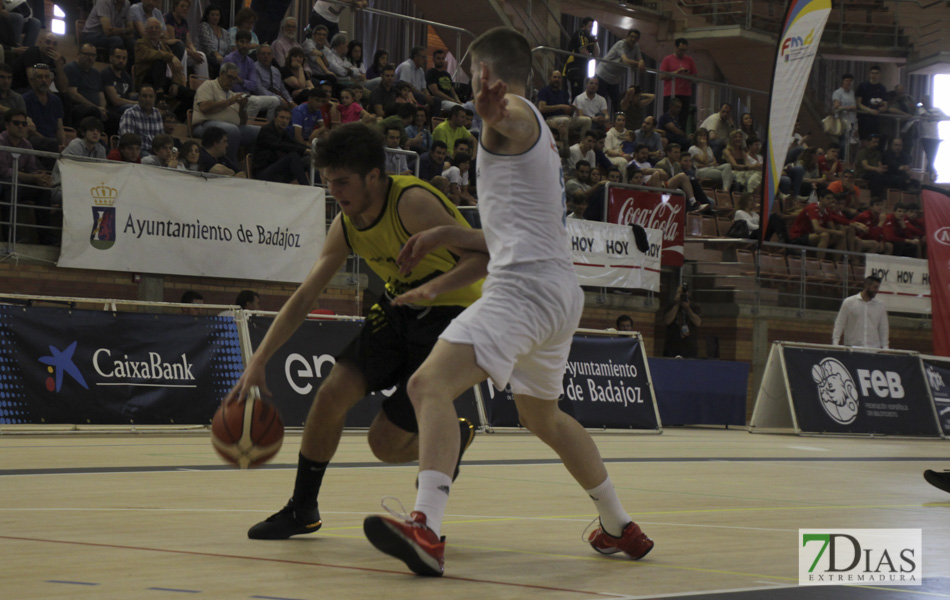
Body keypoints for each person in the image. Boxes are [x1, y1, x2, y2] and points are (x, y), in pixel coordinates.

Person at [361, 27, 652, 577]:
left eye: (471, 74)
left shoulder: (512, 117)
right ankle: (619, 525)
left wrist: (497, 113)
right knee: (542, 414)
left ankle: (426, 527)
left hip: (523, 290)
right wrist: (446, 238)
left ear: (485, 74)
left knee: (428, 386)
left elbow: (508, 120)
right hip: (558, 292)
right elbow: (508, 235)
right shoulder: (539, 139)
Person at [230, 123, 483, 544]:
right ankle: (302, 509)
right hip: (399, 308)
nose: (335, 191)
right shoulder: (346, 224)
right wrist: (258, 360)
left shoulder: (412, 203)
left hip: (453, 313)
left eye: (342, 182)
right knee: (330, 394)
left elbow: (482, 258)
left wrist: (433, 288)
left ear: (373, 176)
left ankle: (452, 437)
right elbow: (305, 295)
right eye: (329, 182)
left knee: (383, 444)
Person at [0, 108, 52, 241]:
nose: (21, 126)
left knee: (43, 191)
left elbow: (32, 169)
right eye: (16, 123)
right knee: (14, 185)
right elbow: (3, 171)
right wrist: (33, 177)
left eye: (24, 124)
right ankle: (10, 234)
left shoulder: (27, 145)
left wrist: (41, 179)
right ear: (7, 125)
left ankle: (47, 238)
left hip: (12, 183)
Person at [223, 31, 282, 118]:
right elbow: (227, 83)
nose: (244, 45)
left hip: (247, 95)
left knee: (275, 101)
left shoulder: (250, 62)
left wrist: (241, 81)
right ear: (236, 42)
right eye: (242, 42)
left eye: (247, 42)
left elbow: (253, 85)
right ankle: (245, 127)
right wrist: (245, 83)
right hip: (231, 94)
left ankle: (268, 129)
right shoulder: (229, 59)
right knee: (255, 101)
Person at [252, 105, 308, 183]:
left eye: (287, 118)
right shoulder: (266, 131)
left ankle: (320, 189)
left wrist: (310, 150)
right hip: (262, 173)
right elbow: (281, 145)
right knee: (293, 156)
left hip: (276, 170)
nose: (284, 121)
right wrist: (305, 150)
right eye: (282, 117)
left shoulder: (283, 132)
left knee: (308, 159)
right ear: (275, 118)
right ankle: (307, 188)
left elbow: (295, 144)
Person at [595, 28, 643, 114]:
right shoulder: (621, 44)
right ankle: (600, 123)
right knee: (600, 101)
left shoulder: (636, 46)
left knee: (617, 103)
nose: (633, 39)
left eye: (635, 38)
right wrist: (638, 63)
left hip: (614, 79)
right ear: (627, 36)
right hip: (603, 75)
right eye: (631, 36)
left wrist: (641, 62)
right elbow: (626, 61)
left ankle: (617, 123)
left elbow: (641, 61)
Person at [832, 276, 888, 349]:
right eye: (875, 287)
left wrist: (885, 346)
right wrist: (835, 343)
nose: (877, 290)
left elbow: (883, 328)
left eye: (878, 288)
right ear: (867, 286)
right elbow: (839, 323)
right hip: (852, 348)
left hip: (873, 349)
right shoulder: (849, 302)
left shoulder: (881, 305)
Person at [538, 69, 589, 147]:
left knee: (587, 120)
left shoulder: (563, 93)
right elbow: (542, 108)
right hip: (550, 118)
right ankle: (564, 149)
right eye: (554, 77)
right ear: (550, 78)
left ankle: (583, 146)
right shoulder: (544, 91)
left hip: (565, 118)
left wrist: (572, 109)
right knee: (564, 120)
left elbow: (567, 111)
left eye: (559, 78)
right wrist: (560, 106)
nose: (556, 79)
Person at [21, 62, 64, 153]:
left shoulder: (56, 100)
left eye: (47, 77)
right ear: (32, 80)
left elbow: (59, 128)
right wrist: (51, 143)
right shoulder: (25, 99)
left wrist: (62, 145)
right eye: (40, 77)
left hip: (52, 142)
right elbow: (30, 130)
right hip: (33, 140)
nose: (44, 80)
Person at [659, 38, 696, 132]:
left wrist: (687, 75)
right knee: (669, 118)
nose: (682, 52)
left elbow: (695, 77)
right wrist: (676, 73)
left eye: (684, 50)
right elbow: (662, 76)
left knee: (683, 118)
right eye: (680, 49)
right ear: (675, 47)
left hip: (685, 93)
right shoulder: (667, 59)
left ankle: (681, 139)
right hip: (671, 92)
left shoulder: (689, 60)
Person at [119, 83, 164, 155]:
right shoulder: (130, 113)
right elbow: (127, 140)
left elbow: (161, 140)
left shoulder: (157, 114)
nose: (148, 99)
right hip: (138, 152)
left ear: (155, 98)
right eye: (144, 96)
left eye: (151, 96)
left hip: (155, 153)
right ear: (138, 97)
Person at [664, 284, 700, 358]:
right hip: (672, 348)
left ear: (689, 294)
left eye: (684, 293)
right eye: (679, 293)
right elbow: (668, 321)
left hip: (690, 349)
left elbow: (698, 322)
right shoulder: (670, 306)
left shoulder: (694, 307)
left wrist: (688, 309)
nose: (682, 295)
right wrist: (676, 305)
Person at [856, 65, 887, 148]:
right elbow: (858, 103)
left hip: (876, 121)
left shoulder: (882, 88)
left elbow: (885, 106)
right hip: (864, 119)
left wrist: (878, 110)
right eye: (872, 73)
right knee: (864, 142)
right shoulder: (863, 86)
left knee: (875, 143)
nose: (874, 75)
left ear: (879, 75)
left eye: (876, 73)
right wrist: (869, 110)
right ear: (869, 74)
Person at [101, 46, 136, 114]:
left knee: (145, 97)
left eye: (124, 58)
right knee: (132, 109)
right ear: (111, 58)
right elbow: (115, 101)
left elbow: (131, 95)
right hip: (113, 109)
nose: (121, 61)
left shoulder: (127, 77)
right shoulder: (106, 74)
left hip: (125, 104)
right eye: (118, 57)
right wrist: (138, 103)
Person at [917, 95, 945, 179]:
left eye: (927, 100)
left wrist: (937, 117)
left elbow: (945, 116)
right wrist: (935, 117)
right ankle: (932, 173)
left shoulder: (937, 110)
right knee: (930, 156)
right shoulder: (920, 109)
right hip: (925, 136)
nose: (925, 102)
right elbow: (924, 115)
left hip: (935, 136)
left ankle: (929, 173)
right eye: (923, 100)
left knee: (932, 157)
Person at [831, 73, 857, 159]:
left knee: (847, 141)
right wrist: (849, 107)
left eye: (850, 81)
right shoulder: (838, 92)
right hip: (841, 120)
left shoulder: (852, 93)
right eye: (847, 80)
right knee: (843, 141)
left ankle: (844, 158)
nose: (848, 82)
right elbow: (836, 106)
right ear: (843, 81)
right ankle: (841, 159)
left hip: (851, 120)